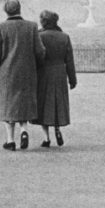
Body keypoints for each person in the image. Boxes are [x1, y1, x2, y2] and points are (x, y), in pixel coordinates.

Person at [0, 0, 45, 151]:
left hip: (7, 73)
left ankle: (10, 140)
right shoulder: (32, 26)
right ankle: (24, 130)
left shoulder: (0, 28)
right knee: (23, 102)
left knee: (8, 105)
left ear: (6, 11)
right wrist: (36, 65)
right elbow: (40, 51)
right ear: (20, 9)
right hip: (27, 72)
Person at [33, 10, 77, 147]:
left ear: (43, 22)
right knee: (57, 102)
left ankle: (46, 138)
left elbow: (35, 57)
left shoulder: (39, 36)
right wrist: (72, 79)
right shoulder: (64, 37)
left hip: (43, 73)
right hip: (59, 73)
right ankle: (57, 129)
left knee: (44, 105)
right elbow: (69, 61)